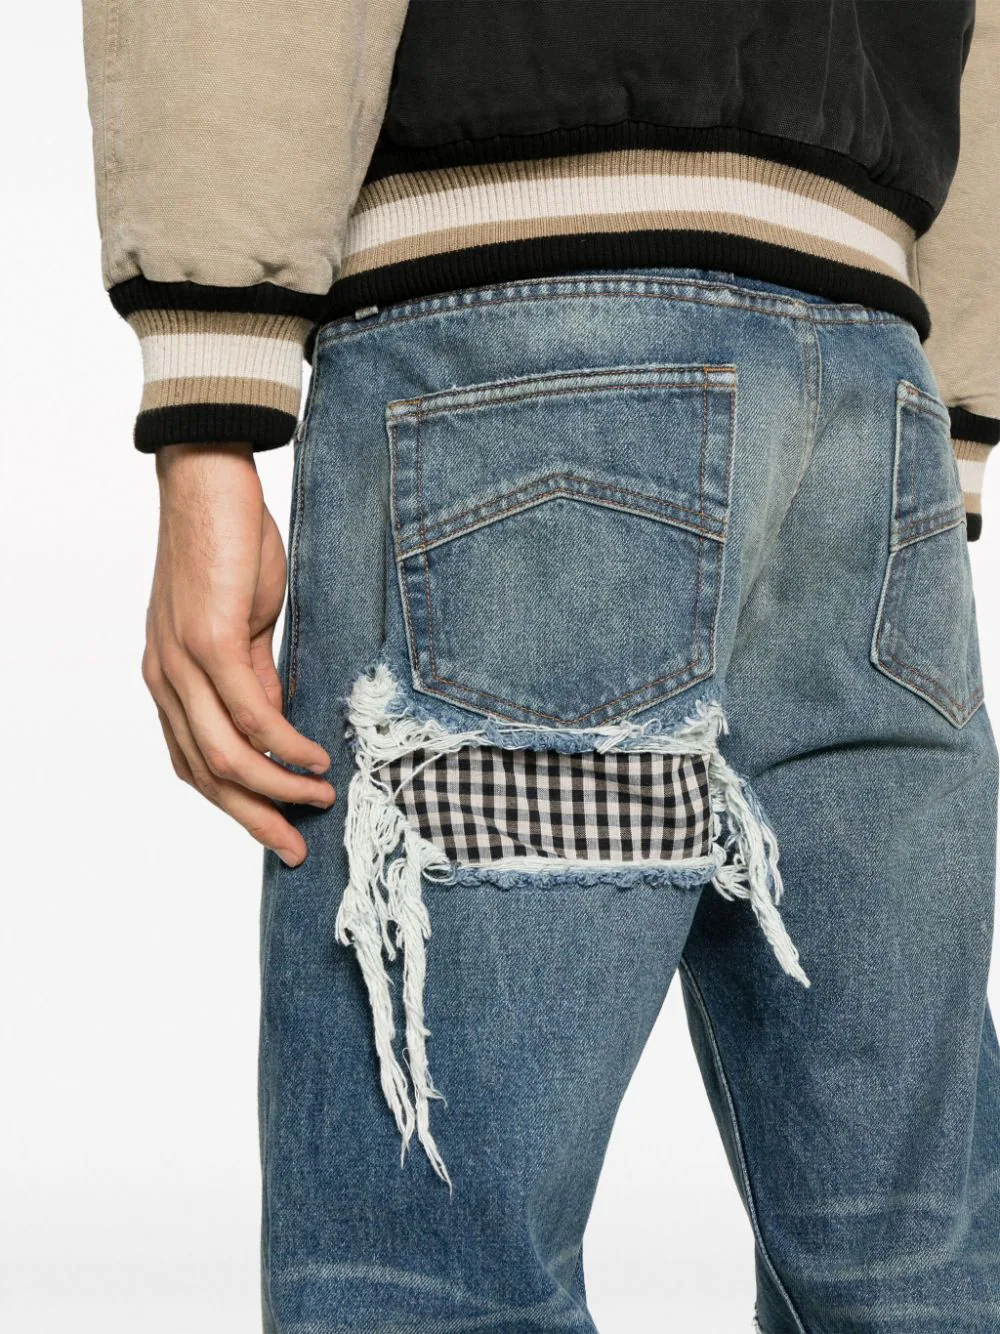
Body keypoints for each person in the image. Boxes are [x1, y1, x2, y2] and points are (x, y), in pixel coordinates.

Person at [83, 2, 1000, 1329]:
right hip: (875, 382)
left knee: (439, 1282)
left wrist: (208, 402)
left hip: (523, 348)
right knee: (912, 1262)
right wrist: (950, 415)